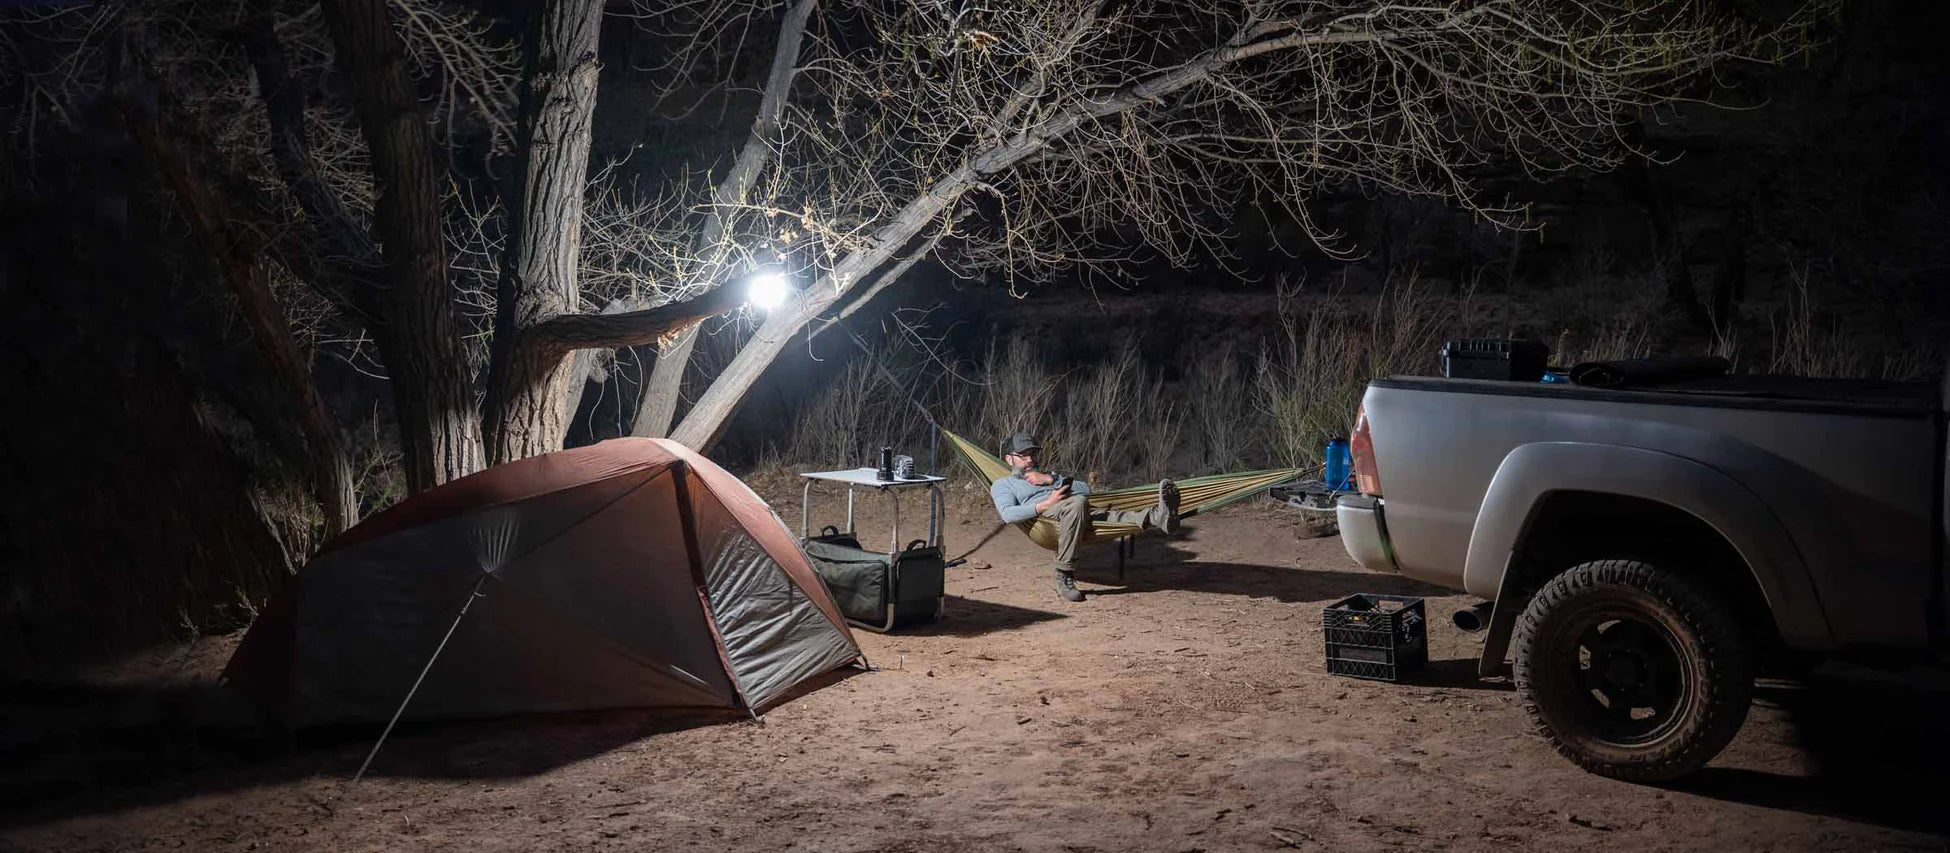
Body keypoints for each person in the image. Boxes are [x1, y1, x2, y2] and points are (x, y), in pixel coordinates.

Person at [989, 432, 1180, 602]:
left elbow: (1085, 489)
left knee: (1106, 516)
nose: (1030, 459)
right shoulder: (1003, 484)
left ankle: (1157, 516)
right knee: (1078, 503)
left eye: (1032, 454)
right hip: (1046, 519)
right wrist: (1046, 504)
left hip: (1076, 513)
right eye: (1023, 455)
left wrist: (1050, 479)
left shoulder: (1049, 476)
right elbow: (1008, 514)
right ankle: (1064, 572)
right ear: (1009, 459)